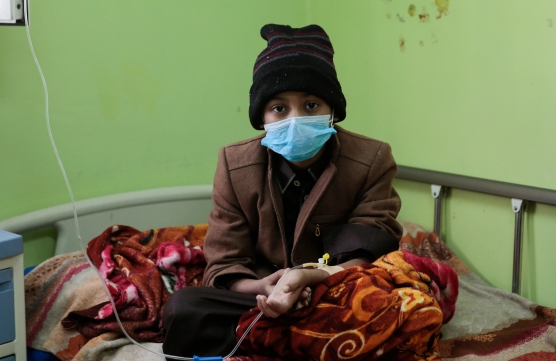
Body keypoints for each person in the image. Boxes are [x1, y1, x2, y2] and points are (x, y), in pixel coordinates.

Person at [160, 24, 402, 357]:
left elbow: (373, 248)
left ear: (332, 110)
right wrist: (263, 287)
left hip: (336, 291)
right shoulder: (235, 164)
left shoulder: (371, 160)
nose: (295, 119)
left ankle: (279, 338)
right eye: (279, 108)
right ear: (261, 117)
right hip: (257, 298)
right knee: (184, 309)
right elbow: (224, 263)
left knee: (398, 306)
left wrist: (312, 278)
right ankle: (300, 340)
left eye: (312, 105)